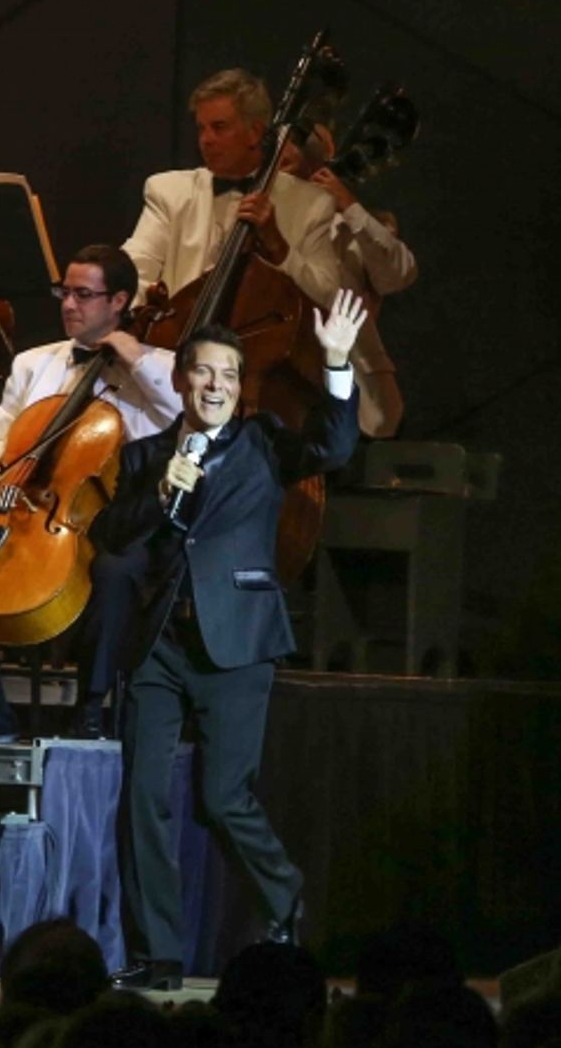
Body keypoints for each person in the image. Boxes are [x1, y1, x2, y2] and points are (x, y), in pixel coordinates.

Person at [96, 289, 366, 989]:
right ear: (181, 379)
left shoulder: (264, 441)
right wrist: (159, 492)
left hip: (238, 639)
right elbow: (112, 536)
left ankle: (283, 899)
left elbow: (333, 447)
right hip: (160, 644)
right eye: (203, 373)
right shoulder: (147, 455)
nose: (215, 386)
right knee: (144, 798)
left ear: (239, 387)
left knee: (223, 797)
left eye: (228, 375)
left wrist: (337, 364)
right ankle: (157, 955)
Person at [0, 245, 181, 743]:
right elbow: (2, 435)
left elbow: (184, 412)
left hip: (121, 513)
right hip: (36, 504)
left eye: (84, 295)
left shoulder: (160, 368)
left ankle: (92, 705)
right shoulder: (31, 364)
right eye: (64, 292)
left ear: (120, 301)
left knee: (115, 570)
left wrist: (132, 352)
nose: (68, 305)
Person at [122, 68, 340, 311]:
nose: (206, 139)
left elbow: (327, 295)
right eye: (201, 128)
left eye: (219, 127)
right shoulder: (168, 191)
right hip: (174, 342)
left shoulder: (311, 204)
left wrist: (279, 247)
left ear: (255, 133)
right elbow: (134, 270)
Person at [284, 125, 418, 437]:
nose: (280, 153)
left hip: (355, 406)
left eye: (292, 143)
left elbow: (398, 274)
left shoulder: (347, 225)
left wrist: (350, 206)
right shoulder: (256, 218)